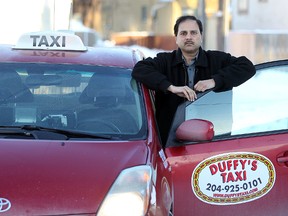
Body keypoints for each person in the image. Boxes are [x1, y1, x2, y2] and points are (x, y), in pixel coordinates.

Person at [132, 15, 256, 146]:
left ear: (201, 36)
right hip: (170, 143)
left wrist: (215, 81)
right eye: (183, 33)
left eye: (193, 32)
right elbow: (139, 69)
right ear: (176, 38)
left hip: (214, 140)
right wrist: (170, 87)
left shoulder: (217, 60)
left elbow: (247, 66)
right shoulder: (165, 61)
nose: (188, 37)